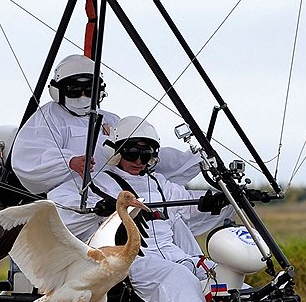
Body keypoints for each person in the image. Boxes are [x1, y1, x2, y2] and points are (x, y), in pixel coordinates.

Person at [48, 116, 235, 302]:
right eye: (131, 153)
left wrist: (211, 201)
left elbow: (188, 207)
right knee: (175, 275)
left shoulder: (159, 183)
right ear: (116, 153)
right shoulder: (99, 183)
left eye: (145, 156)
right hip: (132, 260)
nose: (138, 161)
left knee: (215, 271)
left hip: (173, 253)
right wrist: (98, 207)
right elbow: (58, 202)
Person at [12, 54, 200, 199]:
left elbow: (138, 153)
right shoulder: (48, 117)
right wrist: (70, 162)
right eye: (76, 91)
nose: (83, 96)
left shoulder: (110, 119)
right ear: (57, 91)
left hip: (114, 194)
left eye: (90, 91)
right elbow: (30, 157)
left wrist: (195, 159)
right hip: (74, 199)